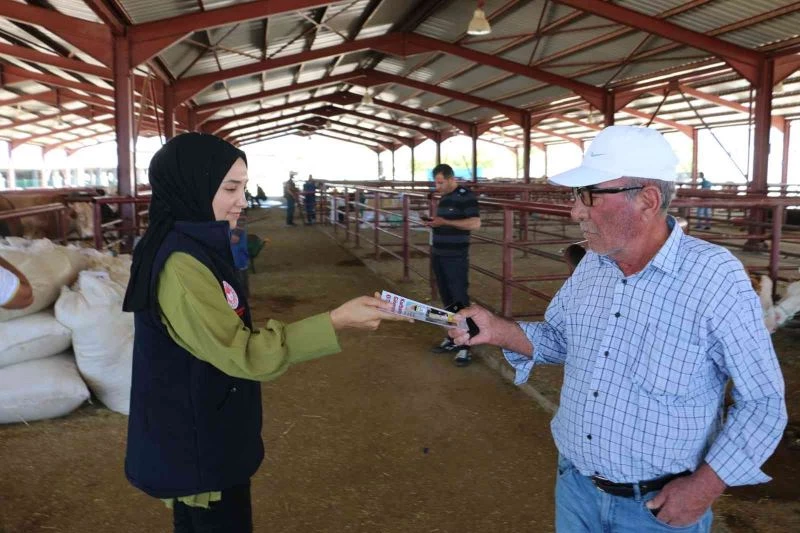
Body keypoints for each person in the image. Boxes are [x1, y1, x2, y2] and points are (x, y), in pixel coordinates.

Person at [450, 126, 787, 532]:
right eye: (576, 197)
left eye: (589, 196)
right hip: (576, 486)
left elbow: (763, 400)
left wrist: (705, 486)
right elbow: (560, 340)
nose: (576, 211)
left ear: (647, 200)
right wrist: (495, 329)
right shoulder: (594, 264)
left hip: (657, 508)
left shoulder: (714, 277)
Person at [122, 133, 408, 533]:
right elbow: (245, 354)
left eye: (242, 186)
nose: (242, 200)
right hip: (199, 440)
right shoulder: (182, 265)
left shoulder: (191, 244)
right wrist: (336, 321)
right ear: (193, 186)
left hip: (207, 427)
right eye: (230, 188)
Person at [424, 163, 480, 367]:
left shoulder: (466, 196)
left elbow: (475, 223)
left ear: (450, 178)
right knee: (447, 299)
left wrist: (445, 223)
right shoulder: (445, 197)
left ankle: (466, 345)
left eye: (440, 182)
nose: (437, 186)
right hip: (440, 254)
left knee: (459, 299)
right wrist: (435, 223)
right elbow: (446, 221)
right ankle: (452, 337)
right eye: (436, 182)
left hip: (455, 257)